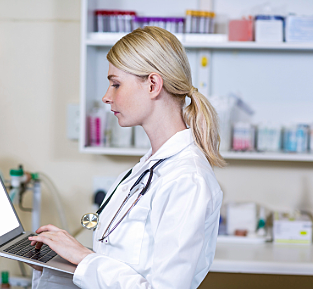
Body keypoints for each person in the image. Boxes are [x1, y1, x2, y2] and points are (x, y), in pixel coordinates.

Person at [28, 26, 225, 289]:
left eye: (116, 84)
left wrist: (83, 258)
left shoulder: (187, 179)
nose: (106, 97)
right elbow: (119, 262)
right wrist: (62, 258)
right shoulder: (148, 167)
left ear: (153, 85)